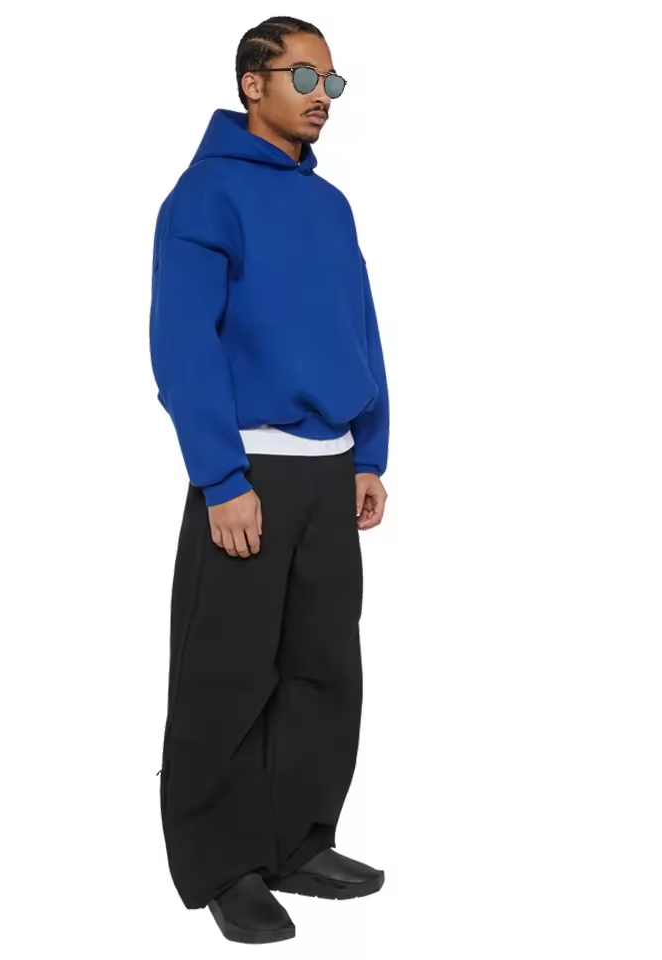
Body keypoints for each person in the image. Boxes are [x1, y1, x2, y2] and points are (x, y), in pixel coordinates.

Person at [148, 16, 390, 944]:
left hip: (329, 476)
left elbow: (359, 325)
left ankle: (297, 842)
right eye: (304, 77)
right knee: (226, 674)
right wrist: (220, 477)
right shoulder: (206, 196)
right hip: (250, 473)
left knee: (323, 670)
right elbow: (183, 345)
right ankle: (225, 865)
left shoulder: (331, 207)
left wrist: (369, 452)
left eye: (332, 82)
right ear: (253, 83)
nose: (322, 97)